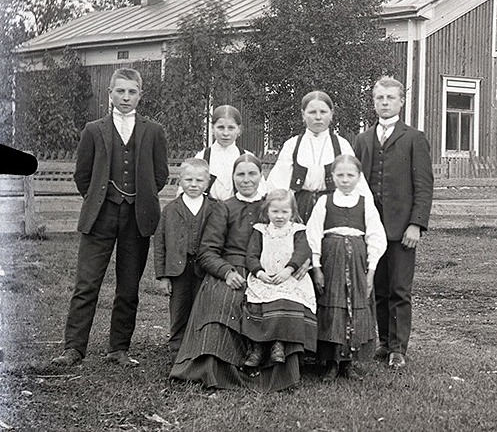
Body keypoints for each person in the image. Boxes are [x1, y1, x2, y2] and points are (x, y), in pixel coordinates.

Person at [51, 67, 169, 368]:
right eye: (120, 91)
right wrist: (101, 199)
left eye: (132, 92)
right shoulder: (93, 129)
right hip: (100, 217)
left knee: (128, 287)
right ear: (110, 94)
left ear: (140, 95)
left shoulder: (154, 131)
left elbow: (160, 176)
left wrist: (136, 197)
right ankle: (73, 349)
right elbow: (83, 176)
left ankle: (118, 348)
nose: (126, 97)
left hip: (137, 217)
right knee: (87, 283)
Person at [170, 154, 314, 391]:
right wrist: (226, 272)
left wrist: (301, 262)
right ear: (233, 177)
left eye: (252, 174)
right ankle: (216, 367)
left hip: (270, 269)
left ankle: (275, 369)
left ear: (261, 175)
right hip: (232, 267)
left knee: (281, 300)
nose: (246, 180)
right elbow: (207, 251)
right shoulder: (224, 208)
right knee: (223, 301)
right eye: (240, 174)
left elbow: (297, 235)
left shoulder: (274, 205)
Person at [353, 77, 433, 370]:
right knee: (379, 288)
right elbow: (356, 184)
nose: (384, 102)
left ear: (401, 102)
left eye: (390, 98)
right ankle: (384, 341)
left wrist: (416, 224)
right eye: (379, 98)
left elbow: (423, 186)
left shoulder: (414, 138)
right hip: (371, 231)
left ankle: (398, 349)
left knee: (400, 288)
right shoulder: (362, 140)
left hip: (402, 230)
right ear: (373, 102)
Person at [305, 154, 386, 382]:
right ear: (332, 177)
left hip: (358, 261)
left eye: (350, 175)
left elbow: (376, 237)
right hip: (332, 259)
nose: (345, 180)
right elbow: (313, 235)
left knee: (355, 304)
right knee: (333, 305)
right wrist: (317, 267)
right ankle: (331, 363)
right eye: (340, 175)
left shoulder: (364, 202)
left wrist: (371, 270)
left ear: (358, 177)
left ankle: (348, 363)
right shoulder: (325, 202)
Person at [240, 189, 317, 376]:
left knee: (285, 300)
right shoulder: (261, 230)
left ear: (292, 212)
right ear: (267, 212)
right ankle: (258, 349)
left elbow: (302, 251)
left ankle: (279, 345)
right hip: (265, 278)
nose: (280, 216)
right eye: (275, 211)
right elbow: (251, 255)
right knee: (259, 303)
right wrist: (259, 273)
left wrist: (289, 269)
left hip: (289, 278)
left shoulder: (297, 230)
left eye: (285, 212)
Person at [266, 91, 368, 223]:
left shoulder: (342, 145)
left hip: (333, 209)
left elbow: (357, 183)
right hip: (299, 209)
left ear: (331, 114)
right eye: (312, 112)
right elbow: (278, 184)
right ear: (303, 115)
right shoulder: (292, 145)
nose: (318, 117)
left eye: (323, 112)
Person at [152, 158, 215, 356]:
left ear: (207, 183)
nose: (193, 185)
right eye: (188, 180)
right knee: (179, 308)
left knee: (202, 307)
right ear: (180, 181)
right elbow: (160, 243)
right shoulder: (170, 210)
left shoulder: (214, 208)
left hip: (204, 268)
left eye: (199, 180)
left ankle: (198, 347)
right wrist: (163, 275)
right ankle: (176, 348)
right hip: (178, 269)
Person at [183, 105, 263, 201]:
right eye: (220, 127)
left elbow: (260, 192)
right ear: (212, 128)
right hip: (209, 212)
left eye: (231, 128)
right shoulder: (202, 157)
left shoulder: (247, 158)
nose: (225, 133)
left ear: (239, 129)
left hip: (238, 211)